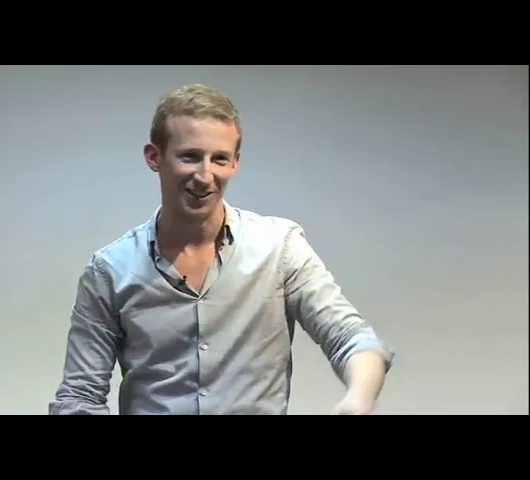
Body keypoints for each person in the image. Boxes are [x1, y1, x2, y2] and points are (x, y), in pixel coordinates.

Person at [49, 83, 394, 415]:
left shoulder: (280, 247)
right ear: (154, 157)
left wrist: (358, 399)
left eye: (219, 159)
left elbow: (351, 338)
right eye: (190, 157)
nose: (204, 175)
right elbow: (80, 396)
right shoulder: (109, 271)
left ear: (235, 163)